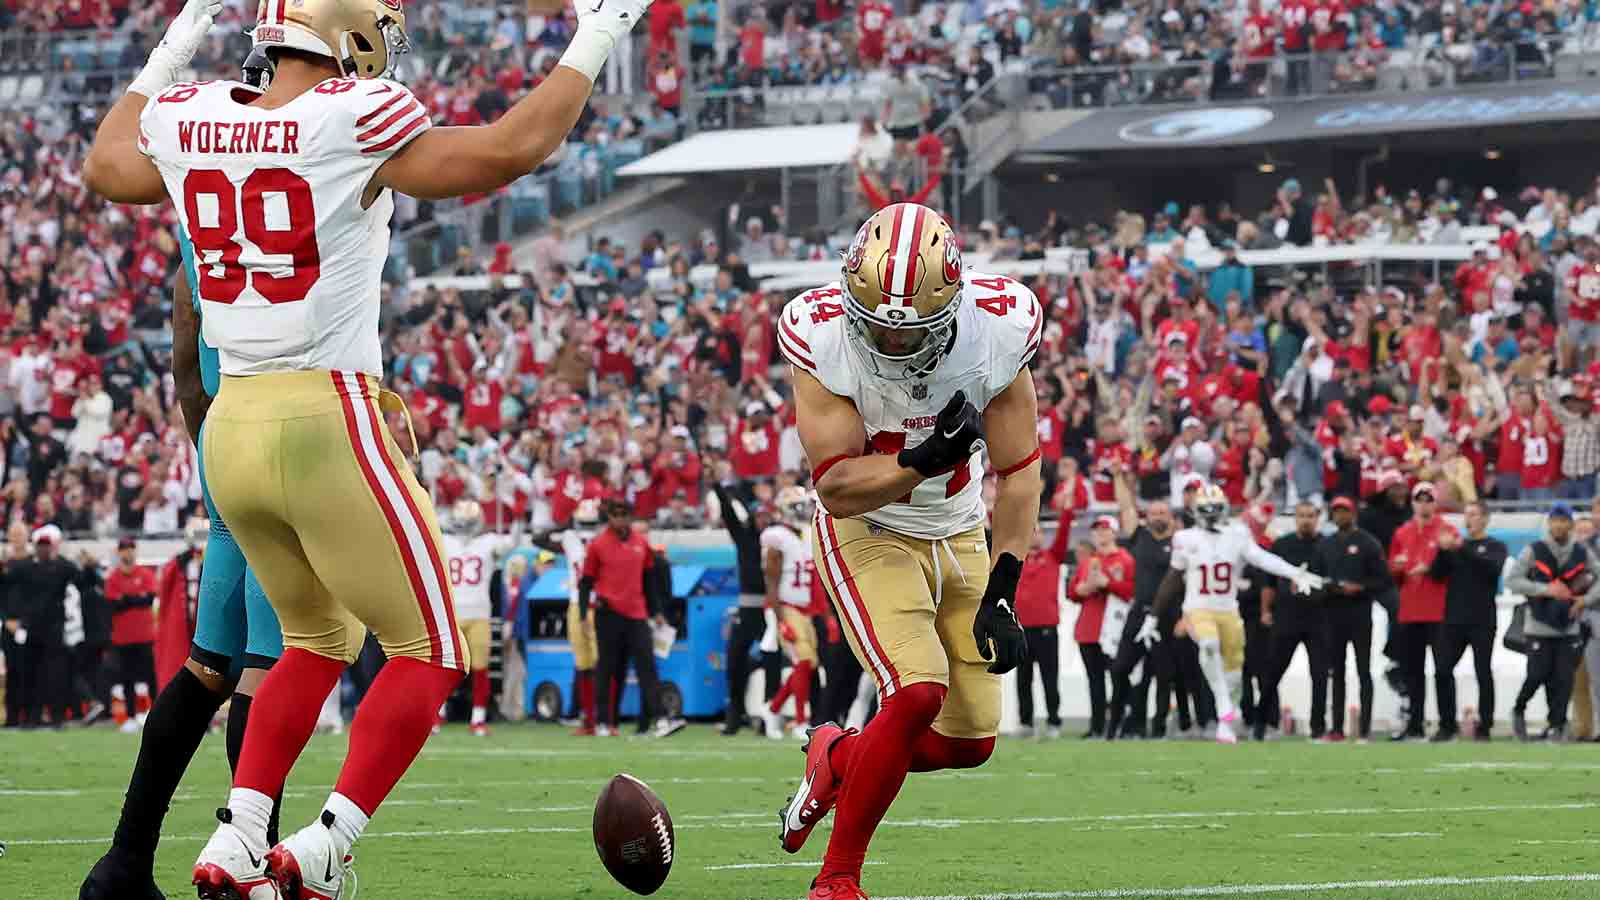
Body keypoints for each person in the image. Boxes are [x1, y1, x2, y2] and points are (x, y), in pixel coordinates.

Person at [82, 0, 653, 893]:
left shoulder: (192, 113)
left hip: (232, 432)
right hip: (325, 415)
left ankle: (237, 839)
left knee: (315, 637)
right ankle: (322, 847)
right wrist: (602, 31)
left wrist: (175, 40)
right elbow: (510, 149)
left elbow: (104, 164)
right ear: (349, 34)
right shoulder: (349, 115)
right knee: (431, 649)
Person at [775, 202, 1041, 900]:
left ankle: (837, 756)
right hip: (871, 530)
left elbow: (1020, 474)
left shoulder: (1000, 327)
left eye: (911, 333)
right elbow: (836, 488)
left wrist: (1006, 585)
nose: (893, 348)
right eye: (878, 332)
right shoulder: (818, 331)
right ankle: (836, 880)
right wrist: (922, 459)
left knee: (971, 742)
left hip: (958, 530)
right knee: (916, 690)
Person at [1154, 484, 1324, 744]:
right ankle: (1224, 709)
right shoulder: (1185, 538)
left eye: (1214, 509)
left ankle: (1225, 722)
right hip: (1198, 608)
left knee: (1234, 672)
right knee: (1209, 645)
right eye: (1205, 509)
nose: (1210, 514)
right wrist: (1153, 616)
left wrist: (1294, 572)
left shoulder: (1236, 534)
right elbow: (1173, 578)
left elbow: (1262, 559)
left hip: (1229, 611)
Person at [581, 499, 682, 739]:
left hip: (636, 612)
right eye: (616, 515)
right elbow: (586, 581)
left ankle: (660, 719)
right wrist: (584, 614)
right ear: (609, 518)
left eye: (624, 515)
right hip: (608, 612)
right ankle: (604, 721)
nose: (621, 519)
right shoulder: (598, 545)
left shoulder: (640, 543)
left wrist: (655, 611)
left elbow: (648, 581)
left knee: (647, 666)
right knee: (607, 668)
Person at [1504, 504, 1596, 742]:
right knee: (1537, 674)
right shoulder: (1534, 550)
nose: (1559, 525)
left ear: (1570, 525)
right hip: (1538, 624)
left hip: (1569, 624)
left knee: (1564, 680)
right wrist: (1546, 589)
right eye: (1555, 520)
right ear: (1549, 523)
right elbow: (1512, 580)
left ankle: (1557, 724)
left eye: (1563, 520)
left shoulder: (1581, 552)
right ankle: (1519, 709)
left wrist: (1584, 600)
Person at [1105, 468, 1184, 741]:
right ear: (1147, 517)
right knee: (1120, 670)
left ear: (1172, 518)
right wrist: (1118, 476)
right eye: (1154, 512)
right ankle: (1117, 724)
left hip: (1169, 615)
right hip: (1139, 613)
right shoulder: (1140, 536)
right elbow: (1126, 506)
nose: (1158, 516)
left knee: (1164, 676)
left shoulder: (1181, 543)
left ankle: (1159, 729)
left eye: (1163, 513)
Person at [710, 466, 783, 735]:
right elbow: (729, 515)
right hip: (748, 607)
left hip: (769, 609)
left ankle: (769, 717)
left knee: (772, 662)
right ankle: (734, 715)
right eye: (759, 516)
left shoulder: (778, 540)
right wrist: (718, 488)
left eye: (767, 516)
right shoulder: (745, 539)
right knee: (735, 661)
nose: (763, 520)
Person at [1313, 496, 1390, 742]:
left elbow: (1382, 580)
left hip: (1359, 613)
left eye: (1344, 511)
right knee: (1336, 672)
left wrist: (1361, 587)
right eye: (1336, 511)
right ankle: (1336, 728)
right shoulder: (1326, 544)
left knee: (1364, 670)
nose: (1340, 516)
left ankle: (1364, 729)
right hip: (1332, 613)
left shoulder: (1368, 543)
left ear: (1353, 513)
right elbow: (1316, 578)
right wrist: (1330, 587)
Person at [1428, 501, 1505, 741]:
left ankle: (1485, 725)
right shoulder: (1455, 549)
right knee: (1442, 670)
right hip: (1454, 619)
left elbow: (1490, 570)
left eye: (1473, 514)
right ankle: (1447, 724)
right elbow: (1436, 575)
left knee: (1483, 671)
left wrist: (1460, 548)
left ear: (1485, 518)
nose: (1468, 519)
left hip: (1482, 619)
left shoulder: (1495, 546)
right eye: (1466, 514)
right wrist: (1442, 551)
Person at [1387, 482, 1457, 741]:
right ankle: (1415, 724)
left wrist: (1437, 560)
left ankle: (1447, 725)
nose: (1424, 504)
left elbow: (1453, 567)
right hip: (1410, 610)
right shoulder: (1402, 532)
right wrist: (1398, 567)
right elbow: (1392, 571)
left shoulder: (1446, 530)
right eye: (1419, 499)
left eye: (1429, 499)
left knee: (1443, 671)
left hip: (1439, 611)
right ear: (1413, 502)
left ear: (1435, 502)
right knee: (1412, 673)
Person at [442, 500, 513, 737]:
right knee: (444, 669)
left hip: (478, 614)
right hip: (453, 614)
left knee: (480, 669)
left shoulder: (487, 542)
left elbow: (509, 543)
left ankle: (478, 718)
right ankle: (436, 715)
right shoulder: (447, 541)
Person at [1262, 501, 1330, 740]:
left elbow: (1331, 582)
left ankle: (1318, 727)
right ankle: (1263, 724)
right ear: (1295, 518)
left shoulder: (1326, 545)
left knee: (1320, 675)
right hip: (1286, 617)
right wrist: (1265, 611)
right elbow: (1269, 582)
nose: (1306, 520)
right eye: (1301, 515)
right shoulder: (1282, 545)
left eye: (1310, 516)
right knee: (1272, 672)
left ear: (1318, 517)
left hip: (1318, 619)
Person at [761, 487, 820, 740]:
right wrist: (779, 619)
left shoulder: (805, 535)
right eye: (797, 506)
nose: (803, 511)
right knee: (803, 661)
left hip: (803, 609)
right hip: (784, 606)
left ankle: (772, 709)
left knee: (808, 664)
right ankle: (799, 720)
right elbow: (771, 582)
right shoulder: (777, 537)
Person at [1067, 516, 1133, 739]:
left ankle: (1119, 724)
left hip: (1114, 630)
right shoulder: (1088, 561)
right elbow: (1072, 592)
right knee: (1095, 682)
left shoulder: (1125, 559)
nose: (1101, 534)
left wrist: (1108, 584)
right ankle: (1097, 726)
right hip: (1089, 629)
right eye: (1097, 530)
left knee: (1119, 679)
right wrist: (1084, 588)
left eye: (1105, 530)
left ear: (1114, 533)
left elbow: (1131, 591)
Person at [103, 537, 159, 734]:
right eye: (124, 549)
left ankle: (156, 715)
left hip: (145, 636)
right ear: (119, 553)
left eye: (130, 549)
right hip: (123, 638)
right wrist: (135, 598)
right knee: (127, 678)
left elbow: (148, 599)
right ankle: (130, 716)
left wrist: (127, 599)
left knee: (150, 677)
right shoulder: (113, 578)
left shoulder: (145, 574)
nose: (127, 553)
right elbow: (114, 604)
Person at [1014, 523, 1064, 739]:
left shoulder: (1053, 556)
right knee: (1023, 679)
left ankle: (1054, 721)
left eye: (1039, 531)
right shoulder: (1014, 559)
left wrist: (1068, 508)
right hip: (1022, 629)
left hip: (1047, 630)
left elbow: (1064, 534)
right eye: (1031, 530)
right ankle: (1026, 723)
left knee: (1049, 678)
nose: (1035, 535)